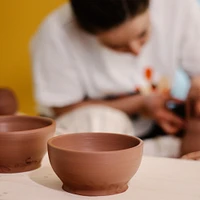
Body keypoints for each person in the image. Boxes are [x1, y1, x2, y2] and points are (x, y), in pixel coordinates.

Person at [30, 0, 200, 158]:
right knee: (97, 122)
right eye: (118, 46)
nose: (136, 51)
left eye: (143, 34)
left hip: (158, 123)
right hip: (94, 132)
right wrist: (140, 103)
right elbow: (63, 109)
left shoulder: (178, 7)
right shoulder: (56, 33)